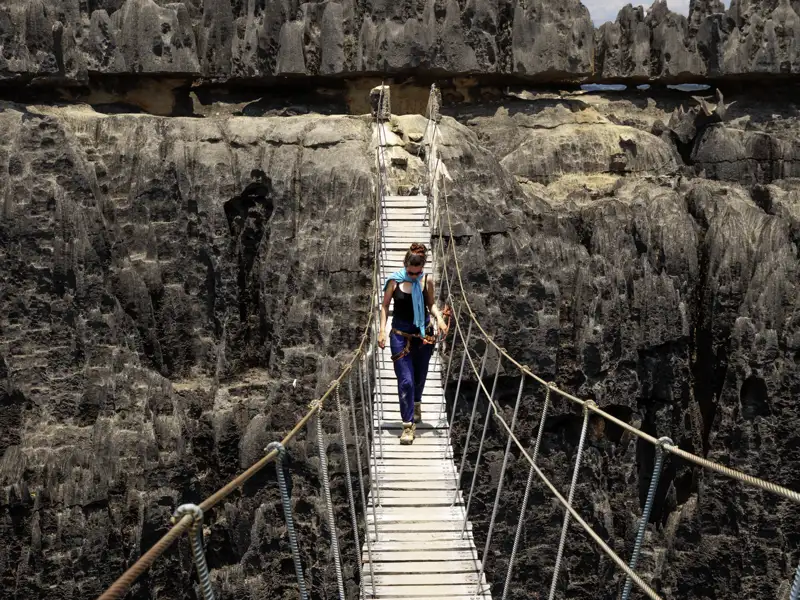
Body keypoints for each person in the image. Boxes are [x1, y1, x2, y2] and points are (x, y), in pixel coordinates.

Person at [378, 243, 449, 445]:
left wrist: (440, 320)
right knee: (406, 381)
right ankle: (408, 426)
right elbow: (384, 307)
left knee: (420, 376)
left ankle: (416, 402)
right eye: (410, 272)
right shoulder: (394, 281)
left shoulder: (426, 280)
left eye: (417, 273)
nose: (413, 276)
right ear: (405, 266)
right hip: (399, 335)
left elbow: (431, 304)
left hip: (423, 334)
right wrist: (382, 331)